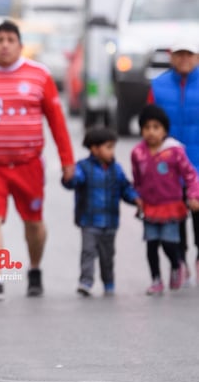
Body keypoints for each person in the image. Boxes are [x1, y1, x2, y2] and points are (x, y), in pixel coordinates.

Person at [0, 20, 75, 301]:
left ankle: (34, 269)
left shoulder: (39, 76)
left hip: (28, 163)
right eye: (0, 40)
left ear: (21, 46)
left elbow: (57, 123)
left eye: (11, 40)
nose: (5, 45)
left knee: (33, 222)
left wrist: (68, 161)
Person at [61, 127, 140, 297]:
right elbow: (74, 181)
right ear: (94, 149)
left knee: (107, 255)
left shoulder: (116, 169)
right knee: (88, 252)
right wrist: (69, 177)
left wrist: (136, 199)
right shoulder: (83, 167)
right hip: (89, 221)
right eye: (108, 147)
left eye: (113, 147)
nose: (112, 151)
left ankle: (108, 282)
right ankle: (86, 282)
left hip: (110, 222)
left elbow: (125, 188)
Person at [131, 105, 199, 295]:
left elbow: (190, 175)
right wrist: (136, 198)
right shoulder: (138, 153)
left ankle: (177, 265)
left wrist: (194, 195)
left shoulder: (175, 152)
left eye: (156, 127)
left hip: (171, 207)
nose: (151, 132)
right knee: (151, 245)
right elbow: (137, 179)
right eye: (146, 127)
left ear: (164, 130)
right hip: (150, 207)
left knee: (169, 243)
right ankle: (156, 280)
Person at [147, 41, 199, 283]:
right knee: (175, 217)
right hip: (168, 168)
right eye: (180, 54)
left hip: (197, 166)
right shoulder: (158, 86)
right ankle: (179, 261)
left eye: (189, 54)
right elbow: (148, 125)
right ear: (171, 56)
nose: (184, 59)